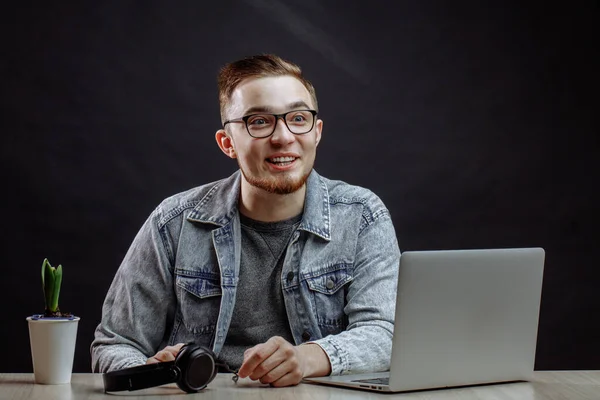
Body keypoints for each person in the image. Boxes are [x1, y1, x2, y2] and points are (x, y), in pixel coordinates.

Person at [91, 54, 400, 388]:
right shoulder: (173, 224)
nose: (283, 137)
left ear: (317, 133)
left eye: (298, 118)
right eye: (259, 122)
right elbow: (115, 344)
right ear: (228, 144)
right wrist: (153, 373)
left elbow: (385, 334)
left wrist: (307, 358)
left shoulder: (362, 215)